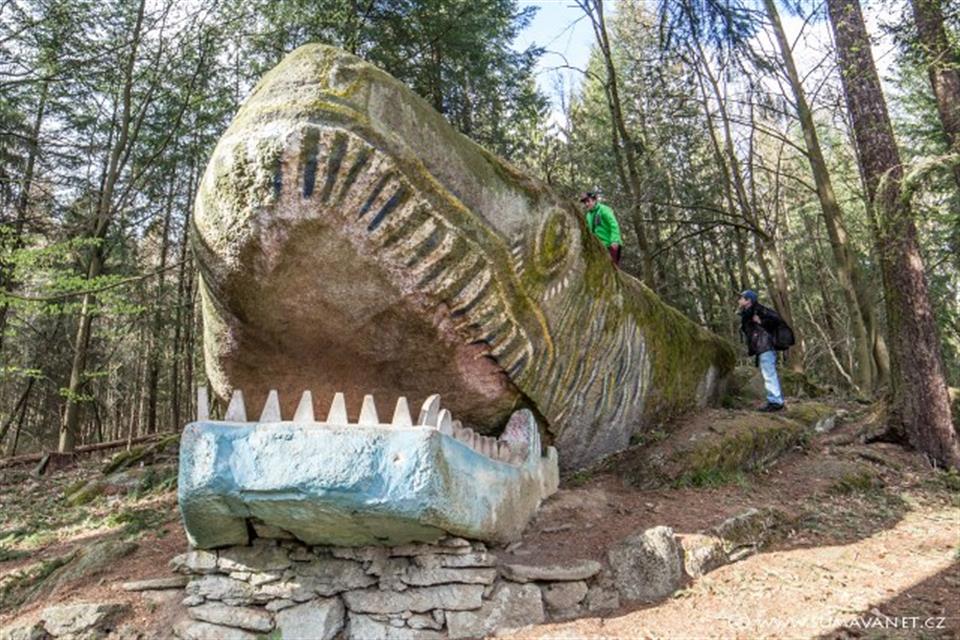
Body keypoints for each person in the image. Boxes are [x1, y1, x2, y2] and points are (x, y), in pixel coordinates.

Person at [738, 290, 785, 412]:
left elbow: (776, 320)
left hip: (765, 345)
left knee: (769, 373)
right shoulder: (747, 312)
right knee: (767, 373)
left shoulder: (759, 310)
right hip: (761, 346)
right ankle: (774, 400)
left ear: (748, 300)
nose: (739, 300)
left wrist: (761, 321)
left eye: (742, 298)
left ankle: (775, 402)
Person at [580, 191, 622, 267]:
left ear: (594, 200)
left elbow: (614, 224)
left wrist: (615, 240)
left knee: (611, 268)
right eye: (585, 202)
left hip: (610, 244)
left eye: (588, 201)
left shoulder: (604, 209)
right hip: (599, 247)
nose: (586, 204)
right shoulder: (588, 215)